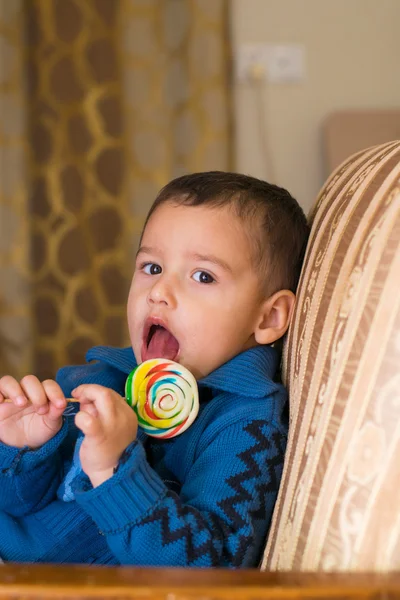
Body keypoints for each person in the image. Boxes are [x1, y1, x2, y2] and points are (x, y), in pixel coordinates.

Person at [0, 172, 309, 567]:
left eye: (202, 276)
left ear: (268, 317)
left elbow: (211, 567)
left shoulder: (246, 428)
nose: (159, 291)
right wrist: (21, 450)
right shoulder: (96, 381)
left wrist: (115, 472)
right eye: (151, 267)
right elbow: (17, 502)